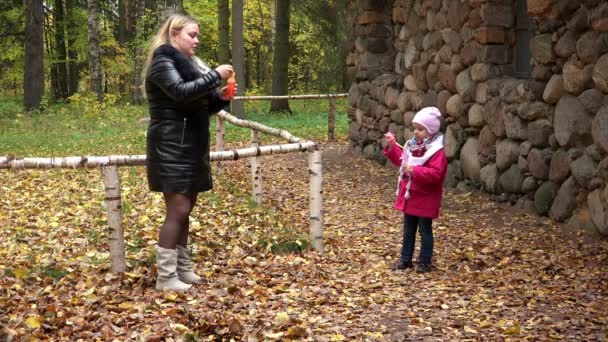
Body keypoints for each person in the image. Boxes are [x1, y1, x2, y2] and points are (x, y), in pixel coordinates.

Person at [142, 14, 236, 291]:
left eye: (197, 36)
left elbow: (196, 107)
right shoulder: (163, 62)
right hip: (171, 146)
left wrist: (221, 99)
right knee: (178, 209)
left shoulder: (188, 66)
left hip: (189, 145)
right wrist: (215, 76)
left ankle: (182, 270)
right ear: (174, 34)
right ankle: (167, 278)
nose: (196, 41)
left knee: (185, 210)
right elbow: (181, 93)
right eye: (191, 35)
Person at [383, 107, 448, 273]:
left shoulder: (436, 151)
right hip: (411, 196)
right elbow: (402, 160)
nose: (416, 132)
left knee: (425, 230)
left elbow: (436, 174)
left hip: (425, 197)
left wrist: (415, 171)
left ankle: (425, 262)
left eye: (421, 129)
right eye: (415, 129)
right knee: (408, 229)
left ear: (431, 130)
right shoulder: (412, 146)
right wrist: (392, 146)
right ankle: (406, 259)